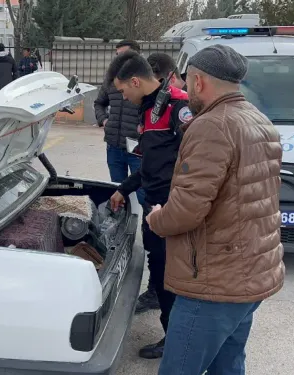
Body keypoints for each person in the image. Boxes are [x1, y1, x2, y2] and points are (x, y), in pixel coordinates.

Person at [145, 44, 285, 375]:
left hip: (214, 282)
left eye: (187, 81)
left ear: (200, 81)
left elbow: (187, 209)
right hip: (249, 273)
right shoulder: (258, 120)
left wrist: (157, 220)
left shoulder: (212, 126)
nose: (184, 88)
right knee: (228, 365)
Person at [108, 51, 190, 359]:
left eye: (122, 90)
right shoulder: (150, 110)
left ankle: (177, 342)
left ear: (134, 81)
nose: (123, 96)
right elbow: (153, 164)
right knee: (159, 273)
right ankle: (172, 330)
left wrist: (175, 207)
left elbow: (197, 163)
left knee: (171, 279)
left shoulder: (177, 108)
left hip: (171, 211)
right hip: (155, 206)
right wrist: (124, 189)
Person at [94, 40, 146, 208]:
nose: (118, 59)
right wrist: (104, 120)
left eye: (123, 55)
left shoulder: (145, 81)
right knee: (117, 193)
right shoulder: (111, 81)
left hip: (137, 150)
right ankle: (119, 229)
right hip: (114, 147)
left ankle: (149, 231)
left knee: (144, 197)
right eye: (117, 56)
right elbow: (99, 103)